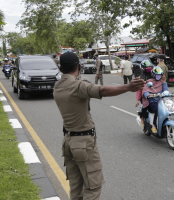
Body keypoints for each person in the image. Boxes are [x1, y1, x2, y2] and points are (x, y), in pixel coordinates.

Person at [53, 52, 145, 200]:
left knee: (76, 188)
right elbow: (102, 90)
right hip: (83, 143)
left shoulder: (57, 86)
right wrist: (128, 87)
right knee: (93, 188)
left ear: (60, 67)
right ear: (79, 66)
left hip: (68, 142)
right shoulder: (78, 86)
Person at [142, 66, 168, 133]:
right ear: (153, 74)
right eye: (157, 74)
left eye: (159, 74)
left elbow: (165, 91)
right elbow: (145, 91)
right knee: (158, 110)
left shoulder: (162, 82)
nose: (158, 76)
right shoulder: (150, 82)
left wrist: (164, 81)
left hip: (161, 101)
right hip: (152, 101)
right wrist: (148, 95)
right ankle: (154, 125)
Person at [135, 60, 154, 127]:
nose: (149, 68)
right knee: (145, 106)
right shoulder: (142, 78)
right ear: (143, 68)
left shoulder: (154, 75)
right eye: (147, 67)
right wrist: (138, 99)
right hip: (145, 95)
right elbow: (139, 89)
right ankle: (142, 118)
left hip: (154, 94)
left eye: (150, 66)